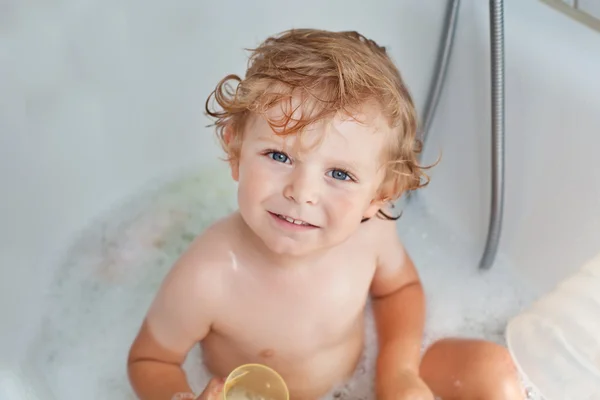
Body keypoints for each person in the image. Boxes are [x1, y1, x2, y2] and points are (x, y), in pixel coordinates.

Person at [127, 29, 526, 400]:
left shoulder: (370, 234)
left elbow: (398, 289)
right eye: (278, 155)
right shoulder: (208, 275)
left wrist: (397, 371)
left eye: (339, 174)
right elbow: (150, 360)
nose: (301, 193)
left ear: (379, 196)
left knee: (492, 371)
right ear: (236, 152)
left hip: (364, 376)